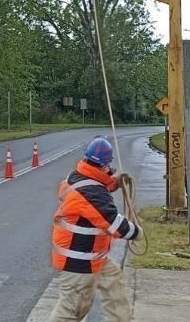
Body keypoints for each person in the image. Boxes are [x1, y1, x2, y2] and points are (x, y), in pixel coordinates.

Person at [49, 137, 143, 322]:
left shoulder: (77, 177)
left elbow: (96, 186)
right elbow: (115, 225)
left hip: (92, 257)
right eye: (108, 166)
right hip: (78, 261)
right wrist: (138, 233)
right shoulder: (91, 193)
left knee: (113, 284)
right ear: (104, 165)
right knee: (73, 309)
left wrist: (114, 183)